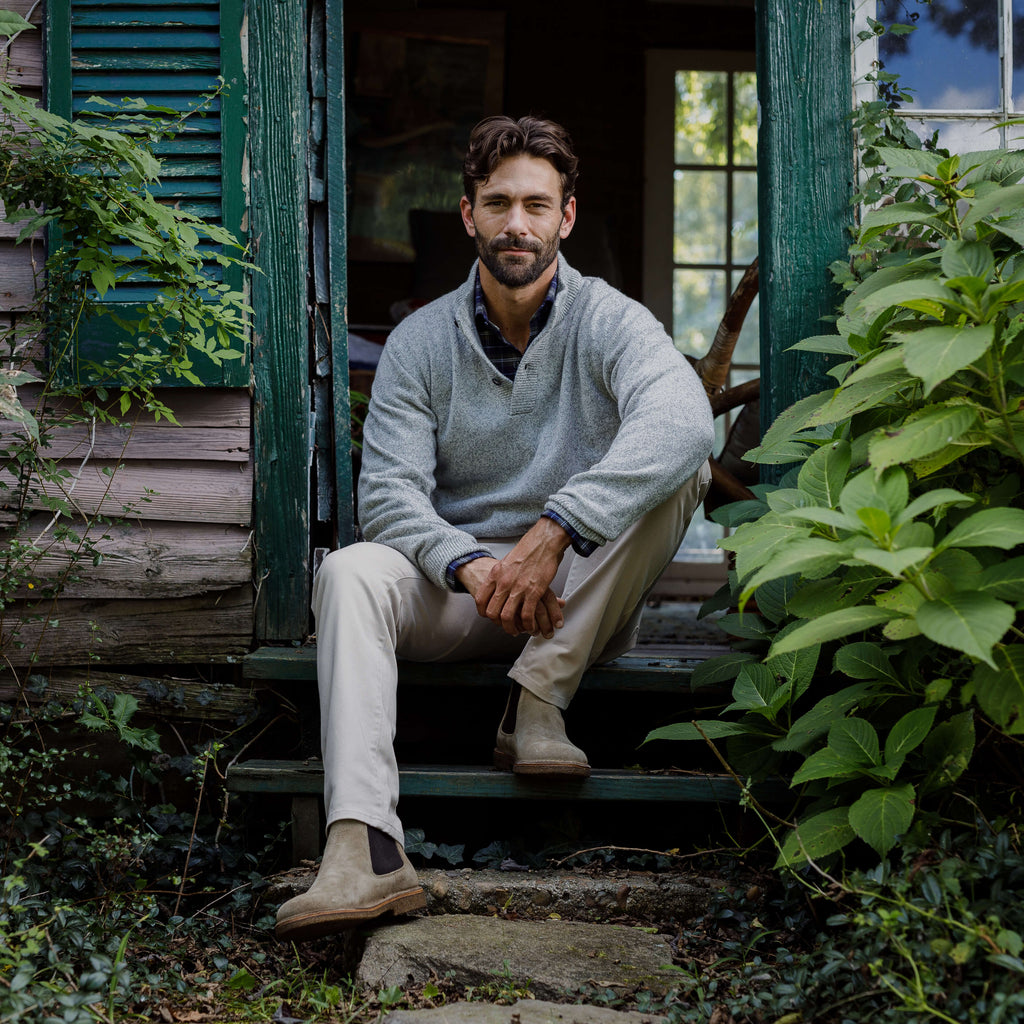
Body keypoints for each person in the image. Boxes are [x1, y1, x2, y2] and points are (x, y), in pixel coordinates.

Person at [275, 115, 714, 942]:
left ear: (567, 218)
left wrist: (555, 529)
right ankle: (362, 848)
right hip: (465, 596)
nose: (519, 224)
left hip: (575, 602)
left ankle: (537, 697)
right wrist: (475, 566)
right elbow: (392, 499)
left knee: (678, 463)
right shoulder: (417, 342)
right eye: (499, 203)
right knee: (351, 571)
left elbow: (686, 421)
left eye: (537, 206)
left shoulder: (612, 322)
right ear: (468, 214)